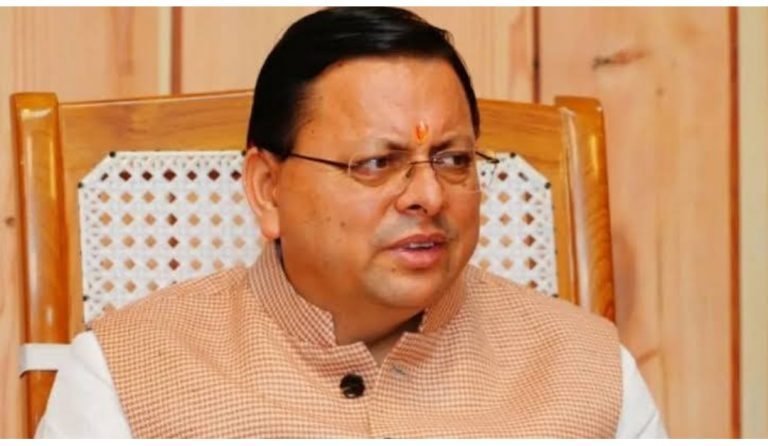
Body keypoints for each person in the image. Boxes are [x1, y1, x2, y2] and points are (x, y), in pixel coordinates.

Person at [36, 7, 666, 438]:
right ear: (267, 189)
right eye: (375, 163)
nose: (428, 195)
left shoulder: (590, 375)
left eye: (453, 159)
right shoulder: (129, 378)